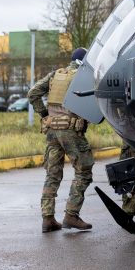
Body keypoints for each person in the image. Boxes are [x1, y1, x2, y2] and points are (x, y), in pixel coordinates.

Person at [28, 47, 95, 233]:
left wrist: (44, 114)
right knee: (84, 172)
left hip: (51, 131)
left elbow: (32, 93)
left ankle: (48, 219)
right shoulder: (82, 76)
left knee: (52, 174)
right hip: (71, 131)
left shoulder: (55, 75)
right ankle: (71, 215)